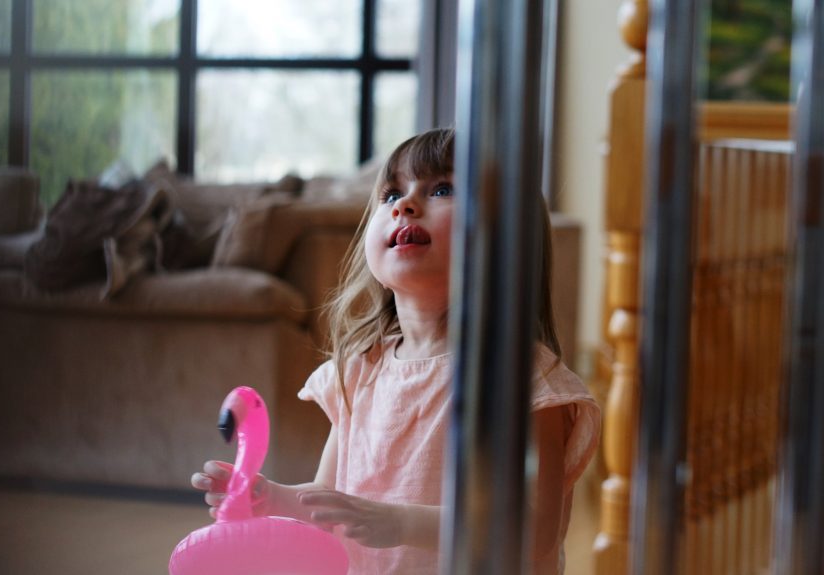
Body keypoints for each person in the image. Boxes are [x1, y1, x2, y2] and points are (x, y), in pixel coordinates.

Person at [191, 128, 601, 574]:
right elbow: (333, 506)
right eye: (390, 195)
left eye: (442, 189)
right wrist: (271, 497)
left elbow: (534, 532)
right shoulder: (359, 370)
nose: (404, 205)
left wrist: (402, 522)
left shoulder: (524, 377)